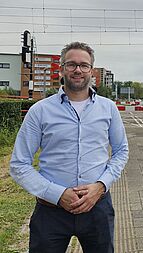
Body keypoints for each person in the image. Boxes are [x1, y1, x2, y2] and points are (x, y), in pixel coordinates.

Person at [10, 42, 129, 253]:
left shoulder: (108, 108)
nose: (77, 70)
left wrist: (101, 186)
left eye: (84, 65)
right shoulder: (40, 111)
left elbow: (121, 151)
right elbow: (19, 164)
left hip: (97, 208)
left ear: (91, 71)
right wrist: (57, 194)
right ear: (61, 69)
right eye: (71, 64)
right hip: (51, 212)